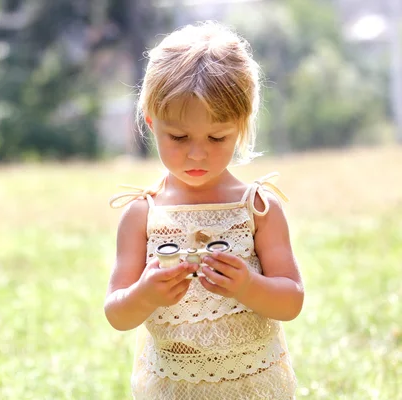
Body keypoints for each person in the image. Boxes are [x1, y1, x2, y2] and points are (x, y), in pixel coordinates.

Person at [104, 21, 304, 399]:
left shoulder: (257, 208)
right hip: (173, 385)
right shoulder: (142, 213)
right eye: (178, 137)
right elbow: (117, 313)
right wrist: (145, 294)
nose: (197, 153)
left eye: (217, 137)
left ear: (241, 127)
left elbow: (291, 300)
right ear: (152, 122)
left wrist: (249, 285)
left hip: (252, 383)